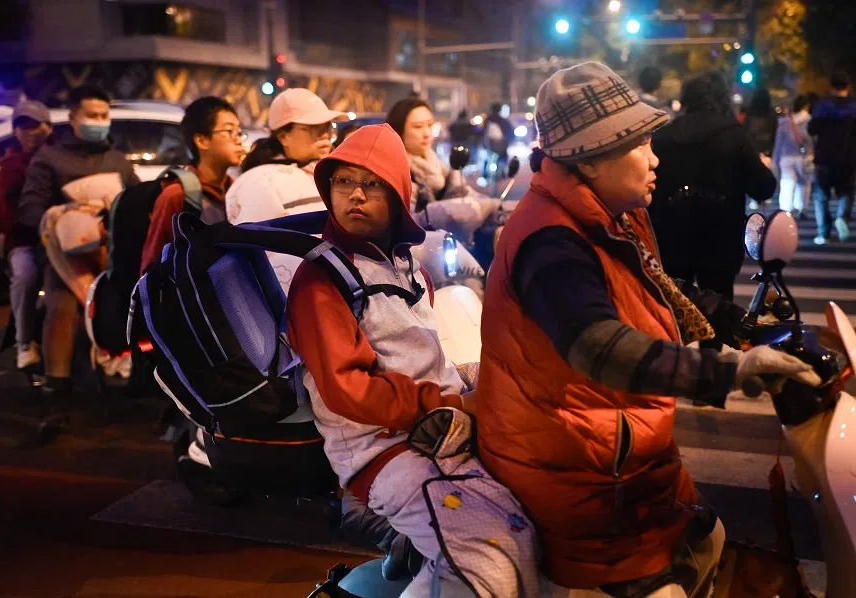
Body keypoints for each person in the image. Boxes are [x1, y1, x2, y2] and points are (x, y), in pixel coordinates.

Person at [475, 61, 819, 597]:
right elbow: (597, 346)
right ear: (590, 158)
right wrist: (729, 372)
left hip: (622, 454)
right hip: (577, 472)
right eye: (639, 144)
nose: (655, 159)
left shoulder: (611, 213)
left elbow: (656, 285)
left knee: (711, 542)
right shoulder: (550, 240)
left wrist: (740, 324)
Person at [286, 124, 537, 597]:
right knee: (489, 559)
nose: (356, 195)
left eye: (373, 183)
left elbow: (426, 357)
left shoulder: (408, 266)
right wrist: (457, 405)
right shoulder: (322, 280)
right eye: (343, 181)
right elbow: (348, 390)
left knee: (530, 516)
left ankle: (422, 549)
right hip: (384, 452)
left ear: (398, 195)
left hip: (440, 430)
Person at [18, 85, 139, 395]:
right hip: (64, 259)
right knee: (61, 308)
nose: (99, 121)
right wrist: (66, 214)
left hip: (111, 255)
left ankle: (119, 362)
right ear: (73, 119)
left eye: (104, 116)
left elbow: (137, 203)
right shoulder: (49, 159)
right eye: (91, 115)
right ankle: (55, 386)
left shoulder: (118, 161)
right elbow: (30, 210)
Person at [649, 70, 776, 300]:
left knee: (674, 313)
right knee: (719, 314)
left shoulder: (662, 136)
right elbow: (763, 186)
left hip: (671, 237)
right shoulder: (732, 135)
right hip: (720, 238)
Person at [139, 96, 245, 272]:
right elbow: (151, 265)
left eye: (240, 132)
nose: (238, 139)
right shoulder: (176, 195)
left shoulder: (237, 191)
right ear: (202, 140)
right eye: (229, 131)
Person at [0, 100, 53, 371]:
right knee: (25, 277)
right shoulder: (11, 166)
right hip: (26, 241)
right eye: (23, 126)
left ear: (49, 127)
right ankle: (24, 342)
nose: (30, 132)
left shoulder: (58, 158)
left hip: (62, 240)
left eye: (36, 125)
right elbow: (1, 206)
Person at [224, 88, 347, 225]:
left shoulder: (323, 174)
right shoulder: (262, 181)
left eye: (328, 127)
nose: (325, 135)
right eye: (315, 128)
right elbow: (259, 241)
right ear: (283, 136)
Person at [385, 97, 498, 243]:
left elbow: (470, 199)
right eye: (418, 126)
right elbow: (403, 224)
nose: (427, 133)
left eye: (430, 125)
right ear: (398, 131)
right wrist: (443, 212)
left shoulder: (440, 167)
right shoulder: (396, 173)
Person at [808, 69, 856, 244]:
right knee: (847, 191)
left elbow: (812, 129)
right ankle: (842, 217)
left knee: (821, 196)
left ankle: (824, 234)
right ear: (848, 86)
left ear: (830, 86)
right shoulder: (854, 107)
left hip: (824, 157)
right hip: (848, 158)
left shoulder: (822, 106)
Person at [772, 95, 813, 218]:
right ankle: (802, 208)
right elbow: (813, 139)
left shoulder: (785, 121)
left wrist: (775, 159)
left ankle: (785, 210)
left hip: (786, 157)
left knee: (787, 183)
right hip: (804, 156)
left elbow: (778, 142)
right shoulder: (809, 120)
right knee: (804, 183)